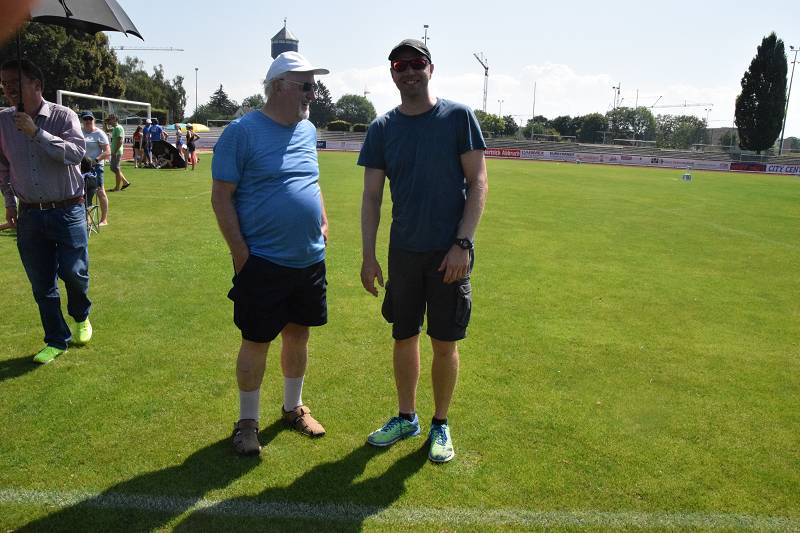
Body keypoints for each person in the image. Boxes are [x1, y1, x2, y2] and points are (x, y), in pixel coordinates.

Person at [358, 39, 489, 463]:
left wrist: (462, 244)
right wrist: (368, 256)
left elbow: (479, 182)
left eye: (417, 63)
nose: (409, 71)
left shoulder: (458, 117)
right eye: (400, 66)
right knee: (403, 336)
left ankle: (440, 423)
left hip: (449, 252)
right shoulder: (382, 128)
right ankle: (406, 417)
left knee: (444, 342)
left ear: (431, 69)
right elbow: (372, 197)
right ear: (392, 74)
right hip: (404, 253)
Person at [211, 51, 330, 456]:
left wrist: (323, 221)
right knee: (256, 340)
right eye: (306, 86)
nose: (313, 93)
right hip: (262, 261)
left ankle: (293, 408)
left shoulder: (307, 130)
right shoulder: (242, 132)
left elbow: (311, 180)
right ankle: (247, 422)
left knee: (298, 334)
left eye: (314, 86)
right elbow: (221, 197)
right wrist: (240, 253)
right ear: (279, 86)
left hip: (308, 259)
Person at [0, 59, 93, 363]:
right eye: (4, 84)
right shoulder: (3, 121)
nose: (8, 89)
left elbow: (76, 153)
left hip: (67, 209)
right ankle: (56, 339)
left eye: (15, 82)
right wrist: (10, 203)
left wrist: (35, 132)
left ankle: (80, 315)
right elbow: (3, 167)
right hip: (29, 214)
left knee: (74, 273)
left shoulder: (63, 116)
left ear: (37, 85)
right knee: (41, 283)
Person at [80, 111, 110, 225]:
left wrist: (95, 161)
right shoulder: (79, 132)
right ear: (82, 120)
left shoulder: (99, 133)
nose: (88, 121)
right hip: (81, 167)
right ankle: (86, 219)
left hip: (96, 166)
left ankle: (104, 219)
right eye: (85, 119)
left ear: (94, 120)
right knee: (82, 193)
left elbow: (107, 152)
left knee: (100, 191)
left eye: (90, 119)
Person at [105, 114, 130, 191]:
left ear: (115, 119)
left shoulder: (118, 128)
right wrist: (105, 123)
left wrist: (115, 151)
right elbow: (107, 130)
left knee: (116, 168)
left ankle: (117, 187)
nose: (109, 121)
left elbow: (120, 141)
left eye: (110, 119)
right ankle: (125, 182)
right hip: (115, 151)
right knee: (114, 168)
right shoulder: (115, 128)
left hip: (117, 152)